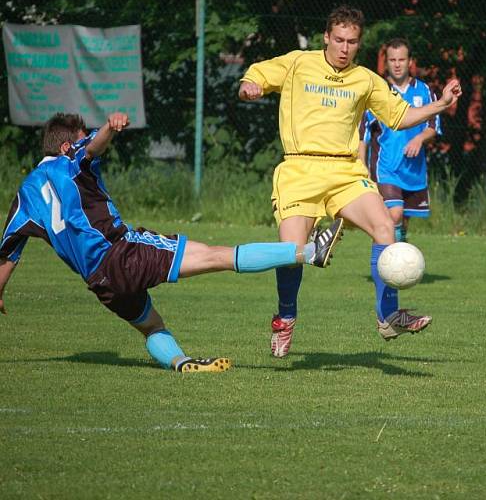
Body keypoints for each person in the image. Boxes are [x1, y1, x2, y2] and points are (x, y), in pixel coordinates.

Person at [0, 112, 344, 373]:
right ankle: (311, 251)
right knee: (217, 256)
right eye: (80, 136)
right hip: (123, 252)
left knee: (152, 326)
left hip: (99, 281)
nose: (86, 139)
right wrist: (108, 127)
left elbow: (8, 254)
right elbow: (91, 147)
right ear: (65, 147)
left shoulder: (25, 197)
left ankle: (181, 362)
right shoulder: (69, 163)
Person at [238, 5, 461, 357]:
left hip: (344, 172)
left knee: (385, 227)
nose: (344, 48)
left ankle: (388, 316)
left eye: (352, 42)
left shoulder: (367, 79)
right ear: (326, 37)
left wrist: (442, 104)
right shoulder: (297, 62)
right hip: (300, 170)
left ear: (359, 43)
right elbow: (256, 77)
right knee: (291, 253)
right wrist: (250, 88)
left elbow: (400, 116)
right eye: (338, 40)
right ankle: (285, 319)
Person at [358, 38, 440, 243]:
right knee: (394, 213)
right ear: (386, 62)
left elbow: (434, 127)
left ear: (410, 61)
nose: (396, 64)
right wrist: (361, 170)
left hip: (413, 171)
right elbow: (363, 136)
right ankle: (385, 261)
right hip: (385, 169)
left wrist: (419, 138)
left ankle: (395, 262)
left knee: (402, 221)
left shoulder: (424, 91)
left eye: (401, 59)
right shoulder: (378, 93)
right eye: (392, 59)